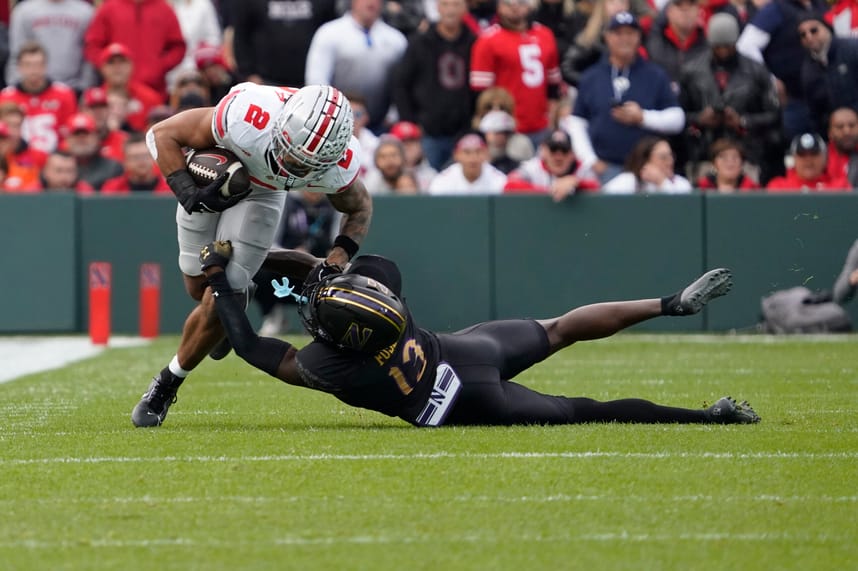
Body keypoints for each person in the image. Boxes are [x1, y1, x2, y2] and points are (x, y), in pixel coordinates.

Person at [175, 240, 760, 428]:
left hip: (465, 403)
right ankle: (670, 303)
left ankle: (708, 418)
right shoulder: (386, 296)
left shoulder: (335, 367)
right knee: (561, 328)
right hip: (465, 350)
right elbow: (353, 273)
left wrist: (223, 278)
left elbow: (251, 347)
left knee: (585, 410)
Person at [130, 82, 374, 428]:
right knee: (197, 287)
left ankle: (167, 383)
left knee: (222, 292)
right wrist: (188, 193)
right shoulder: (247, 116)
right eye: (289, 151)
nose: (290, 163)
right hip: (215, 175)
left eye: (303, 164)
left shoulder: (339, 164)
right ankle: (233, 303)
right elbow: (161, 134)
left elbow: (360, 207)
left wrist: (337, 258)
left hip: (265, 195)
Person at [563, 11, 685, 184]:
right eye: (618, 33)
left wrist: (643, 117)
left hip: (646, 170)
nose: (624, 39)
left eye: (630, 33)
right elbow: (577, 122)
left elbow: (677, 119)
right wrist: (590, 161)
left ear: (639, 37)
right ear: (607, 37)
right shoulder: (592, 76)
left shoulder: (655, 75)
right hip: (604, 168)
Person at [678, 12, 782, 183]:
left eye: (727, 46)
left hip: (746, 155)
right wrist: (700, 119)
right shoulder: (691, 72)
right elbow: (679, 114)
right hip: (703, 152)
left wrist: (742, 121)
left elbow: (774, 115)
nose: (723, 51)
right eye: (718, 46)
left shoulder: (756, 71)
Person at [393, 0, 476, 170]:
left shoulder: (474, 43)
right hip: (428, 132)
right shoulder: (420, 42)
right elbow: (400, 83)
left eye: (456, 5)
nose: (451, 10)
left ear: (465, 8)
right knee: (427, 180)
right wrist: (409, 122)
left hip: (464, 132)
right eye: (446, 4)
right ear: (437, 7)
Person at [469, 0, 562, 147]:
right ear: (499, 6)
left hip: (541, 125)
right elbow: (481, 95)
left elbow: (553, 86)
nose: (514, 7)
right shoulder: (487, 40)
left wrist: (552, 121)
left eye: (520, 2)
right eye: (508, 3)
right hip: (506, 129)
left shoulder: (545, 34)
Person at [305, 0, 408, 133]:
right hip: (337, 122)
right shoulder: (329, 33)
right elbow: (316, 80)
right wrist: (329, 113)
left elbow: (403, 84)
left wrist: (394, 113)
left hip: (383, 123)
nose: (371, 2)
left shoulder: (397, 40)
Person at [735, 0, 828, 140]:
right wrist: (770, 79)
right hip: (794, 98)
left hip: (823, 96)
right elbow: (745, 47)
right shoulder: (776, 9)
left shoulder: (819, 5)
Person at [84, 0, 186, 100]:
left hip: (154, 90)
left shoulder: (164, 9)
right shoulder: (109, 8)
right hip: (114, 94)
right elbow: (93, 45)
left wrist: (159, 67)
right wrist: (109, 66)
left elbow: (178, 47)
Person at [232, 0, 337, 88]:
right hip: (266, 82)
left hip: (311, 82)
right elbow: (241, 35)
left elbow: (333, 32)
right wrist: (248, 74)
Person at [0, 41, 78, 154]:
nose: (33, 70)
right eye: (28, 65)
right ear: (19, 67)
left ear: (46, 66)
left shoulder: (64, 94)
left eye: (38, 65)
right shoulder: (6, 96)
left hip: (55, 156)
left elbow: (71, 132)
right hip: (17, 157)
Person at [4, 0, 95, 92]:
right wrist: (16, 87)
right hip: (32, 88)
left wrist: (85, 86)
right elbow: (17, 53)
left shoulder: (86, 12)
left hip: (74, 87)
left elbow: (90, 54)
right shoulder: (24, 11)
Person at [798, 14, 858, 133]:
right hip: (837, 133)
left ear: (827, 28)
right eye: (803, 35)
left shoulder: (852, 49)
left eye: (814, 30)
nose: (809, 36)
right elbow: (814, 110)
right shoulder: (808, 69)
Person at [504, 128, 600, 200]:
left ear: (572, 154)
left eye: (564, 150)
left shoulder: (582, 169)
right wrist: (550, 192)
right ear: (543, 151)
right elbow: (509, 185)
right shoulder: (533, 167)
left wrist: (577, 183)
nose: (558, 156)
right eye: (553, 149)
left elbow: (597, 188)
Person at [603, 136, 693, 193]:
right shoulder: (628, 180)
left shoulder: (681, 183)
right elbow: (604, 201)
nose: (670, 161)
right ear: (646, 160)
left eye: (671, 156)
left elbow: (679, 210)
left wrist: (661, 182)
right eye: (663, 157)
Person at [427, 130, 507, 194]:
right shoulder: (443, 181)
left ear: (486, 154)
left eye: (478, 151)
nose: (473, 158)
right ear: (456, 155)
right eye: (467, 152)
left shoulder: (499, 180)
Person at [766, 132, 851, 192]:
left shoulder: (840, 187)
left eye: (814, 154)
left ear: (825, 158)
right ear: (794, 159)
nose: (808, 159)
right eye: (802, 154)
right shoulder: (778, 187)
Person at [61, 112, 123, 190]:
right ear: (68, 139)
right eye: (76, 135)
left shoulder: (112, 168)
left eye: (86, 134)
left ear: (96, 137)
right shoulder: (59, 166)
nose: (81, 139)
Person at [100, 132, 172, 193]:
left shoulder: (169, 190)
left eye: (145, 156)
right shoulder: (113, 190)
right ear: (125, 161)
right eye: (135, 157)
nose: (141, 161)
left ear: (153, 158)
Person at [694, 138, 760, 192]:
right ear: (714, 163)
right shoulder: (700, 188)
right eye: (723, 157)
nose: (730, 162)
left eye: (735, 157)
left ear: (742, 163)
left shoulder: (753, 189)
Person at [388, 120, 438, 190]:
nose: (408, 146)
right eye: (403, 142)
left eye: (412, 141)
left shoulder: (432, 176)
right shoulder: (385, 175)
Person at [826, 106, 858, 188]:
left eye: (852, 126)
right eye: (840, 127)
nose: (847, 132)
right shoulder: (819, 157)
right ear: (830, 133)